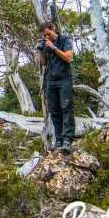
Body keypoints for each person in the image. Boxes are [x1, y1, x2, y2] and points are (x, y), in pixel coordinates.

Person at [37, 21, 75, 153]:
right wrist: (41, 50)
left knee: (66, 108)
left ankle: (67, 140)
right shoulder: (46, 43)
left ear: (54, 29)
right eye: (44, 36)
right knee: (54, 110)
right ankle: (58, 139)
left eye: (48, 34)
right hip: (51, 80)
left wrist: (53, 47)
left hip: (64, 79)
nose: (47, 37)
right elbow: (43, 63)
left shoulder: (65, 40)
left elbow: (69, 58)